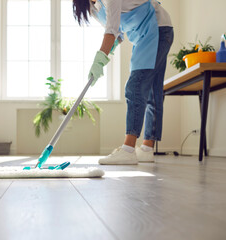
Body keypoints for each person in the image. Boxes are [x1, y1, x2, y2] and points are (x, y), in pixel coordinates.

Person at [73, 0, 173, 164]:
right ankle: (147, 149)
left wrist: (100, 57)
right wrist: (106, 55)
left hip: (158, 29)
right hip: (143, 35)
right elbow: (118, 34)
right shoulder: (92, 8)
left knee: (135, 87)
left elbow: (111, 30)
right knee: (151, 91)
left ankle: (128, 149)